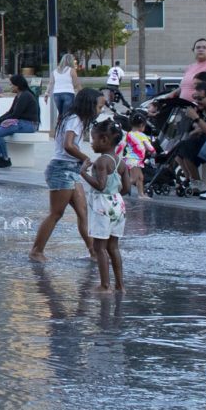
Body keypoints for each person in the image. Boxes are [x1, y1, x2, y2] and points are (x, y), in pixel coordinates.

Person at [30, 87, 97, 261]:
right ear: (89, 105)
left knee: (83, 212)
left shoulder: (75, 118)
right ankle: (36, 251)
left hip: (71, 170)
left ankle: (94, 252)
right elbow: (68, 145)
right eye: (99, 106)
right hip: (62, 169)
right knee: (56, 213)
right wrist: (85, 157)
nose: (100, 110)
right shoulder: (75, 119)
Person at [81, 119, 127, 291]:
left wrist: (83, 173)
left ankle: (105, 285)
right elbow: (127, 188)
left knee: (99, 247)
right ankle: (120, 285)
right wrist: (114, 197)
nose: (91, 143)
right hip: (118, 204)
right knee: (113, 246)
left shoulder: (101, 162)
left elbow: (100, 185)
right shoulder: (121, 162)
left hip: (103, 204)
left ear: (105, 140)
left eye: (93, 139)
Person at [0, 72, 41, 169]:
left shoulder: (26, 96)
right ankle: (0, 156)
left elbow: (15, 114)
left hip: (28, 124)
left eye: (11, 84)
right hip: (21, 122)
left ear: (18, 85)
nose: (10, 86)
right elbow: (10, 112)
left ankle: (4, 158)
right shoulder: (19, 96)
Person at [50, 54, 77, 123]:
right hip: (68, 93)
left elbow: (51, 83)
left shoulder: (55, 71)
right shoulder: (71, 70)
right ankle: (65, 129)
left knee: (60, 113)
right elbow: (76, 83)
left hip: (57, 93)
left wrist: (47, 92)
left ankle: (59, 128)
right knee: (67, 114)